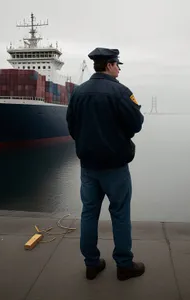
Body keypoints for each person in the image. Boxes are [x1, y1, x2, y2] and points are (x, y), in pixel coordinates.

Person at [66, 47, 145, 281]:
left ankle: (91, 264)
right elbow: (136, 124)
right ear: (110, 65)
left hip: (88, 167)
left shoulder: (78, 92)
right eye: (117, 64)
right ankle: (124, 266)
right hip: (115, 167)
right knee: (120, 214)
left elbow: (71, 126)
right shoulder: (120, 92)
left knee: (89, 213)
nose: (119, 69)